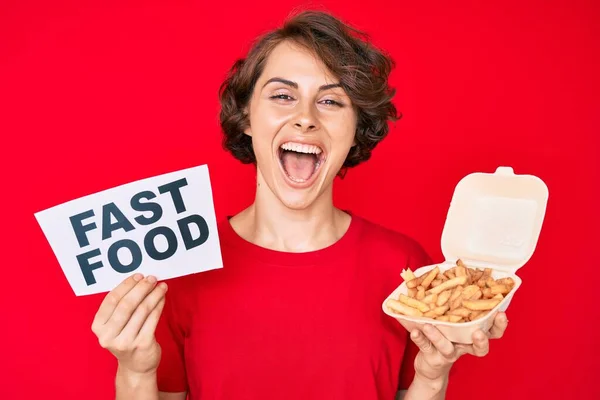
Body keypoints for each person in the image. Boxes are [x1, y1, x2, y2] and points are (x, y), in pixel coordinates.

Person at [91, 10, 508, 400]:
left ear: (355, 129)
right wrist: (135, 371)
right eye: (283, 96)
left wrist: (432, 378)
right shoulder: (182, 270)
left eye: (330, 101)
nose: (306, 117)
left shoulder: (404, 270)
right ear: (248, 117)